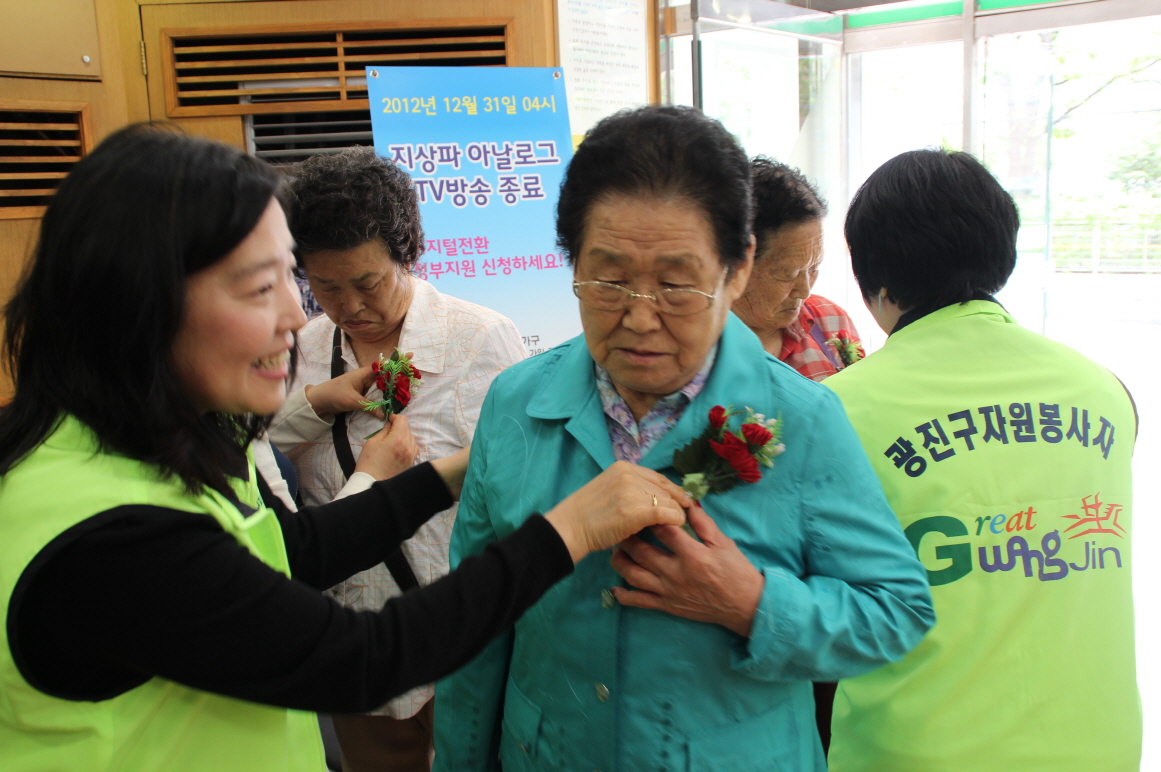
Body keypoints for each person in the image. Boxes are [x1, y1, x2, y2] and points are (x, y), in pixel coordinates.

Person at [0, 124, 693, 772]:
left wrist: (450, 474)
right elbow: (365, 657)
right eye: (261, 287)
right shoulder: (110, 541)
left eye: (291, 282)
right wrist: (568, 529)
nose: (298, 316)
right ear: (139, 303)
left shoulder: (110, 447)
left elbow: (284, 548)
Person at [432, 106, 935, 772]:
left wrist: (753, 604)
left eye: (676, 284)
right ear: (572, 260)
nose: (640, 318)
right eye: (608, 279)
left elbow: (895, 610)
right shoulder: (517, 403)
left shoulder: (803, 418)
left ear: (737, 268)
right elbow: (478, 617)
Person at [824, 149, 1140, 772]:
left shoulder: (834, 412)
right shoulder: (1102, 390)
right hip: (1098, 746)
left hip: (916, 752)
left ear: (873, 277)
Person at [270, 147, 526, 772]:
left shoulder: (481, 337)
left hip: (463, 617)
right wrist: (314, 404)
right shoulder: (298, 349)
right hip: (353, 624)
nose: (350, 305)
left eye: (368, 282)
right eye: (325, 286)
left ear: (407, 254)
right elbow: (262, 446)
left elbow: (522, 472)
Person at [733, 157, 864, 381]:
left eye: (814, 268)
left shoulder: (831, 322)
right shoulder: (694, 346)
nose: (804, 291)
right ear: (738, 265)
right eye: (788, 274)